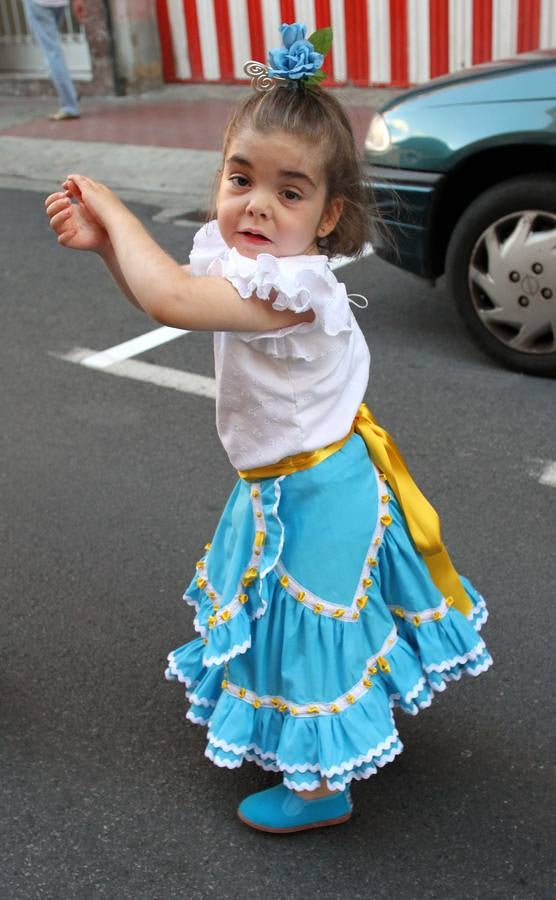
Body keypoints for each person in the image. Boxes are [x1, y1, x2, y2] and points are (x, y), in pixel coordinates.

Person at [44, 22, 492, 834]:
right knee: (303, 614)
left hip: (316, 486)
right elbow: (175, 290)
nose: (256, 203)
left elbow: (171, 302)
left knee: (309, 620)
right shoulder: (247, 262)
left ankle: (324, 788)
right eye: (241, 177)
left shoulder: (295, 288)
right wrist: (110, 248)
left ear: (328, 217)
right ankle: (318, 739)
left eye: (289, 192)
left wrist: (113, 205)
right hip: (293, 479)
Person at [24, 0, 85, 121]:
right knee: (53, 48)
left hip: (39, 3)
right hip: (59, 3)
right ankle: (69, 92)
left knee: (51, 52)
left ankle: (69, 105)